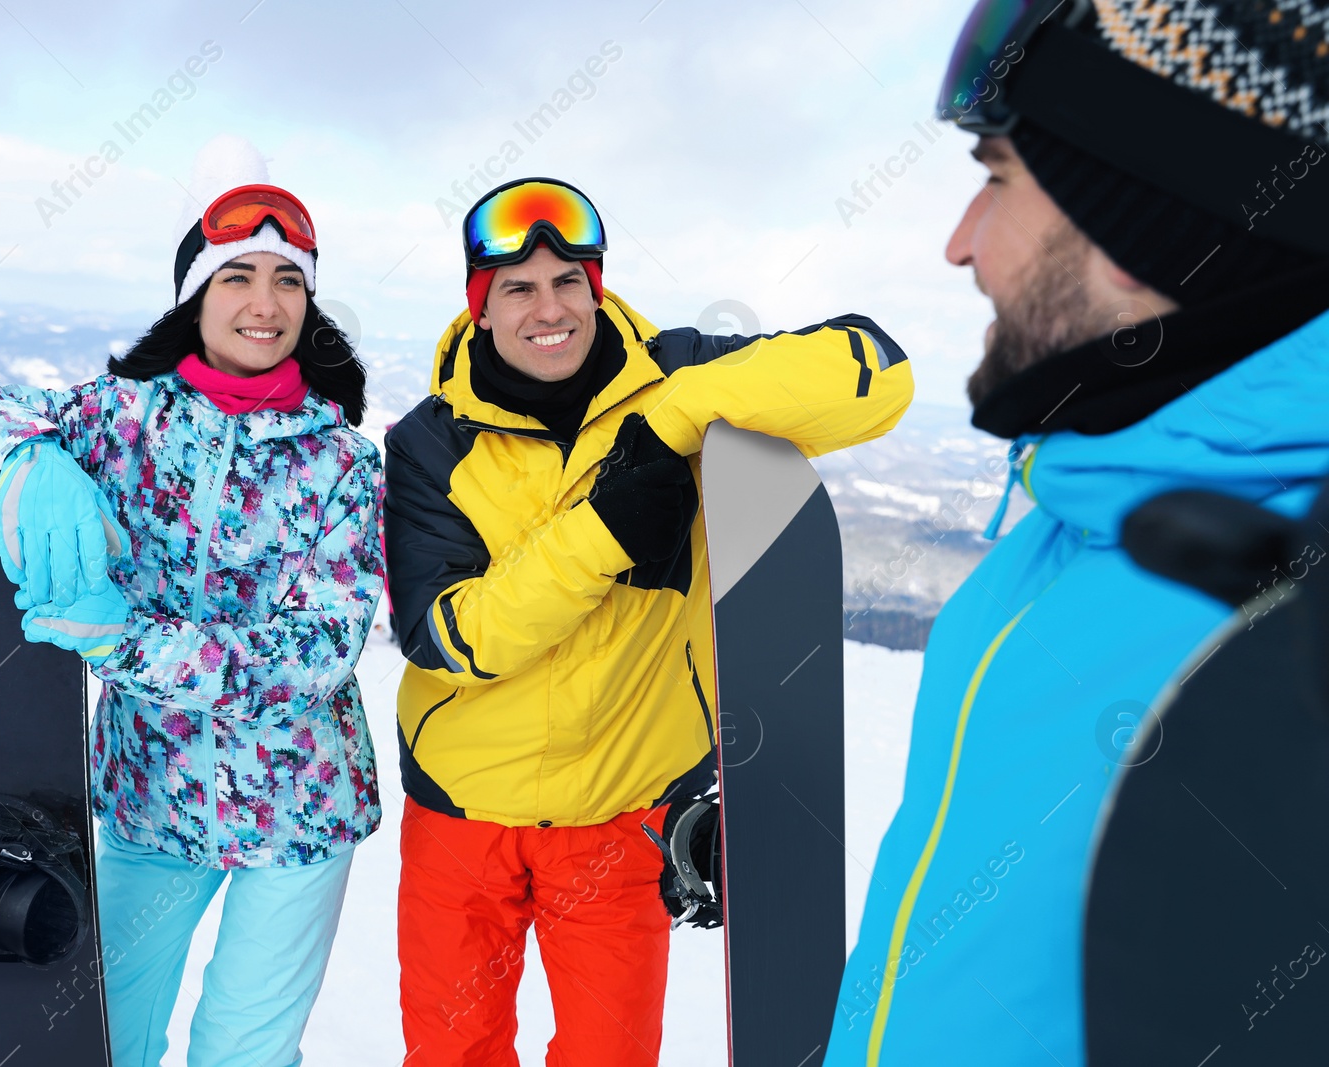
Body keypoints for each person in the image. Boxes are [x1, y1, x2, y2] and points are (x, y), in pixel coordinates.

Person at [827, 1, 1329, 1063]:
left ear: (1139, 231)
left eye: (999, 175)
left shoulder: (1287, 619)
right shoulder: (1070, 517)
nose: (958, 242)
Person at [383, 175, 914, 1065]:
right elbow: (454, 638)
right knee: (451, 1053)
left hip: (619, 819)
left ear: (597, 285)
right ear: (481, 307)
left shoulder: (678, 373)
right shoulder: (429, 442)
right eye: (517, 288)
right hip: (461, 817)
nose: (547, 308)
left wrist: (670, 421)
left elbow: (876, 372)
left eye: (567, 281)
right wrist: (604, 526)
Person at [0, 137, 384, 1067]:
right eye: (238, 274)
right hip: (152, 803)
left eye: (288, 279)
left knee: (243, 1051)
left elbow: (318, 652)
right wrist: (25, 454)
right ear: (196, 293)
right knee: (105, 1037)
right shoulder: (116, 422)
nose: (265, 302)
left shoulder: (342, 463)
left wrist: (130, 641)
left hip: (301, 811)